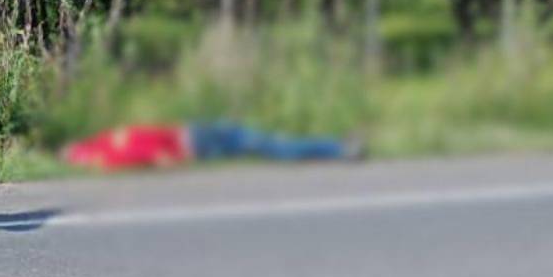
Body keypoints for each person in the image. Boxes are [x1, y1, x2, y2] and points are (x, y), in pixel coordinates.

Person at [62, 122, 364, 171]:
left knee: (270, 145)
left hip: (193, 137)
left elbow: (154, 152)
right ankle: (338, 149)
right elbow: (154, 155)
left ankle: (338, 148)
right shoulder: (111, 149)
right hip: (195, 140)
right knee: (271, 146)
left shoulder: (107, 145)